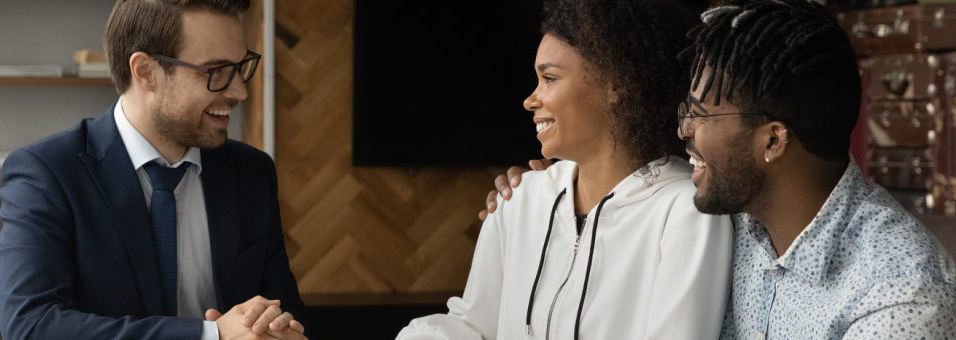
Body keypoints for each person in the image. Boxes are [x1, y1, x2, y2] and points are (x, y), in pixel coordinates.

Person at [488, 0, 956, 338]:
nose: (683, 130)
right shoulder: (729, 218)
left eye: (702, 114)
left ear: (772, 140)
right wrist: (542, 196)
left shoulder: (900, 299)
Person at [398, 0, 732, 339]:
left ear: (617, 84)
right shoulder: (518, 200)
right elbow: (473, 325)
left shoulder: (688, 212)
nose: (531, 99)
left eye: (549, 78)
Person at [0, 1, 307, 339]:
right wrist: (210, 335)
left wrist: (277, 327)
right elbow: (31, 326)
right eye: (215, 72)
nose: (239, 91)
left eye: (240, 67)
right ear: (145, 71)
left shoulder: (252, 173)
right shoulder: (48, 174)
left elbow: (284, 309)